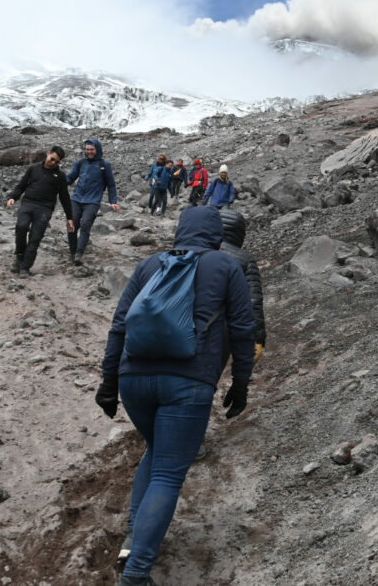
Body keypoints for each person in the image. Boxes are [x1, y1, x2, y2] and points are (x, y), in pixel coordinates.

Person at [95, 207, 256, 586]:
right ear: (216, 234)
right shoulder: (226, 265)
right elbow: (244, 329)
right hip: (188, 384)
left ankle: (134, 539)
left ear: (180, 231)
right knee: (168, 474)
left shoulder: (149, 265)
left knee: (155, 452)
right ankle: (135, 576)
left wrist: (108, 382)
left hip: (133, 380)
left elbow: (119, 326)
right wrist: (241, 382)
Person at [6, 146, 75, 279]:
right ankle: (19, 257)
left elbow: (64, 197)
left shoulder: (60, 176)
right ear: (48, 154)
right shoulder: (33, 169)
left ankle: (25, 267)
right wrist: (13, 197)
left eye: (57, 162)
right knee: (21, 227)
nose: (54, 163)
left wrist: (69, 218)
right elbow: (21, 185)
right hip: (28, 203)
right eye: (52, 159)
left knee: (35, 237)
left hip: (45, 208)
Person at [219, 209, 266, 361]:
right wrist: (258, 339)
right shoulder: (245, 260)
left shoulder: (195, 252)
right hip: (221, 330)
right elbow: (253, 302)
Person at [66, 138, 121, 266]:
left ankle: (79, 254)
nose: (89, 152)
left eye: (91, 149)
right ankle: (72, 252)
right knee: (71, 225)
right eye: (87, 149)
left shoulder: (104, 165)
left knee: (85, 225)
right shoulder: (80, 162)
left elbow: (111, 185)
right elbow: (70, 178)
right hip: (76, 199)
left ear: (97, 149)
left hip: (92, 201)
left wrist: (113, 201)